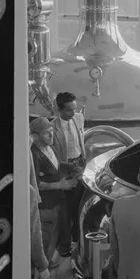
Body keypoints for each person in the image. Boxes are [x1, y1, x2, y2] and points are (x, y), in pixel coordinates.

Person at [30, 116, 75, 271]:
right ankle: (39, 274)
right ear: (35, 136)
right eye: (46, 133)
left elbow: (56, 165)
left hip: (57, 200)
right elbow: (35, 183)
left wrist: (70, 166)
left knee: (54, 234)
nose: (51, 136)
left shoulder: (51, 147)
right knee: (45, 237)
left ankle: (47, 262)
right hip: (46, 205)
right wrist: (60, 184)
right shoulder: (33, 155)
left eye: (51, 132)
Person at [51, 91, 86, 255]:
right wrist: (69, 167)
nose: (74, 113)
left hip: (79, 164)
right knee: (64, 211)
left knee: (80, 205)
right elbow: (52, 160)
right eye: (69, 110)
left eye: (75, 109)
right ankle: (64, 247)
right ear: (59, 109)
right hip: (65, 171)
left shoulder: (78, 118)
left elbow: (81, 139)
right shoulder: (51, 129)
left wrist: (82, 162)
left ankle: (78, 241)